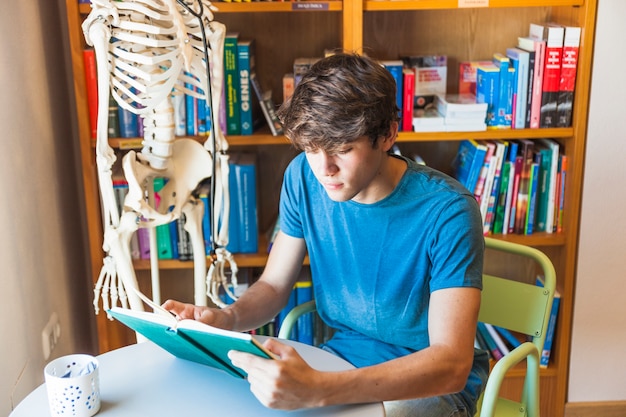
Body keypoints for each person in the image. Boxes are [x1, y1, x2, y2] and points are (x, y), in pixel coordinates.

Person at [163, 52, 489, 417]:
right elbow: (272, 287)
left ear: (387, 135)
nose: (324, 169)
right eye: (311, 149)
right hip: (343, 357)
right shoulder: (303, 175)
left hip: (427, 381)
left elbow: (450, 365)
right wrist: (227, 319)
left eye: (342, 150)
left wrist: (319, 390)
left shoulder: (449, 211)